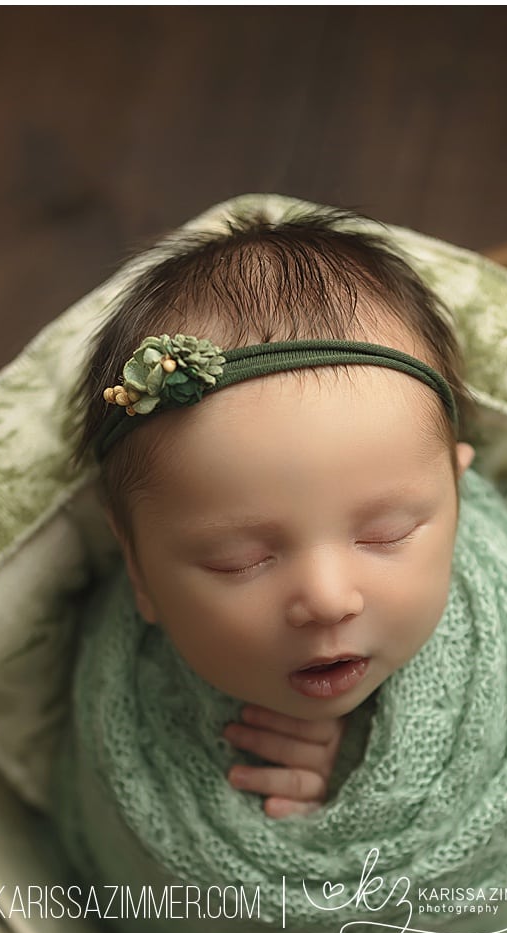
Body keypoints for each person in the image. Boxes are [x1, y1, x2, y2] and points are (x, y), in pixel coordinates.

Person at [67, 205, 476, 818]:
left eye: (386, 533)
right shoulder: (125, 703)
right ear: (138, 568)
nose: (329, 599)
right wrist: (318, 819)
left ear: (459, 495)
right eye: (240, 561)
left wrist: (360, 776)